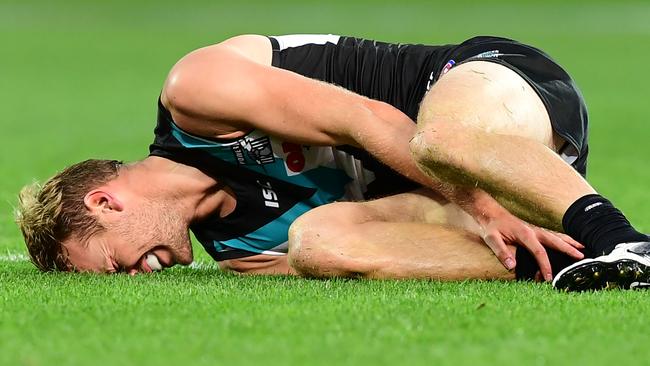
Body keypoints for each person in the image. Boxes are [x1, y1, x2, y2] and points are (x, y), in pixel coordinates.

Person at [15, 34, 648, 291]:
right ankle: (563, 263)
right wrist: (486, 214)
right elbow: (398, 239)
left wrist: (481, 206)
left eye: (111, 266)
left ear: (105, 202)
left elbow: (370, 118)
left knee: (437, 141)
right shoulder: (241, 252)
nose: (135, 277)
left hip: (482, 89)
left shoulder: (194, 94)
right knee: (318, 243)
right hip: (494, 187)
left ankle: (623, 241)